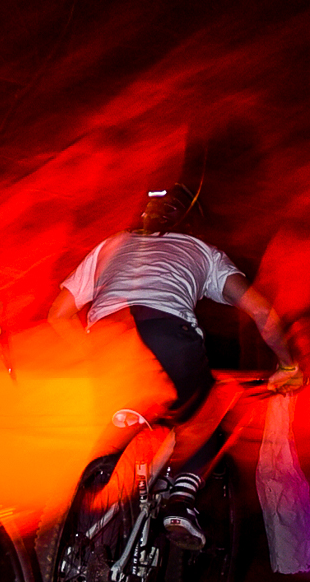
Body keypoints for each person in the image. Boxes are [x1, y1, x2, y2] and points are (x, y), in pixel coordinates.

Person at [48, 183, 302, 548]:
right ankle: (181, 499)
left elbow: (58, 315)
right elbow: (262, 312)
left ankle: (75, 518)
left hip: (106, 338)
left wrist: (92, 353)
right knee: (212, 406)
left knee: (110, 426)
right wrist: (288, 365)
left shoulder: (112, 244)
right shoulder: (204, 252)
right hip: (167, 334)